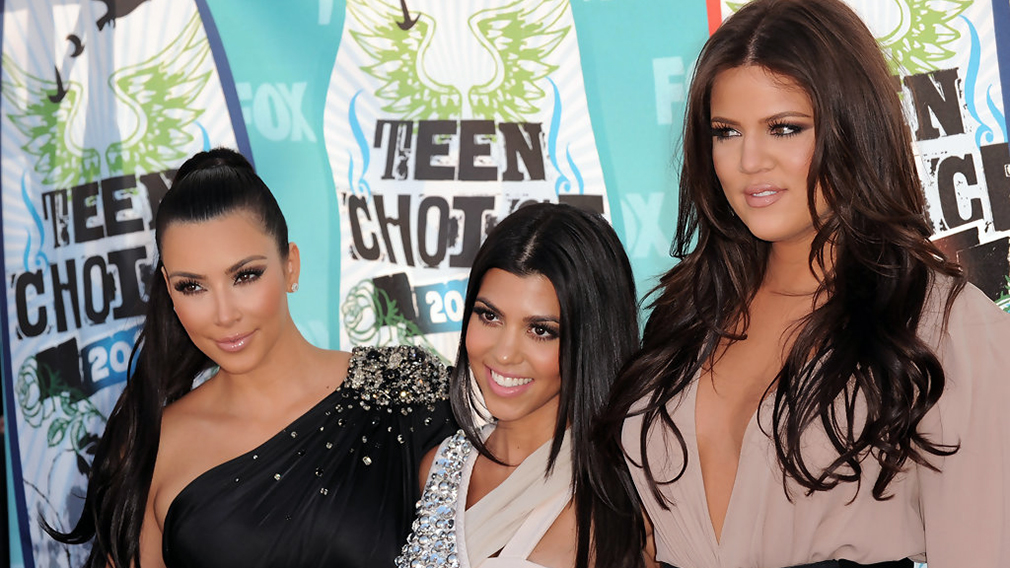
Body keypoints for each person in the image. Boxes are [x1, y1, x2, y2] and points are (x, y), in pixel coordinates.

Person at [601, 1, 1010, 567]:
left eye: (784, 128)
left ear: (854, 128)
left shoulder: (944, 324)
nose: (749, 161)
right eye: (726, 132)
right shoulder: (688, 313)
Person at [49, 148, 456, 568]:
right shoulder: (149, 446)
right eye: (193, 287)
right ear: (169, 289)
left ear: (290, 266)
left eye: (245, 276)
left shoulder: (404, 391)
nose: (225, 314)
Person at [396, 203, 655, 568]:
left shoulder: (620, 509)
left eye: (540, 330)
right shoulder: (439, 469)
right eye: (489, 316)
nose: (504, 354)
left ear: (592, 340)